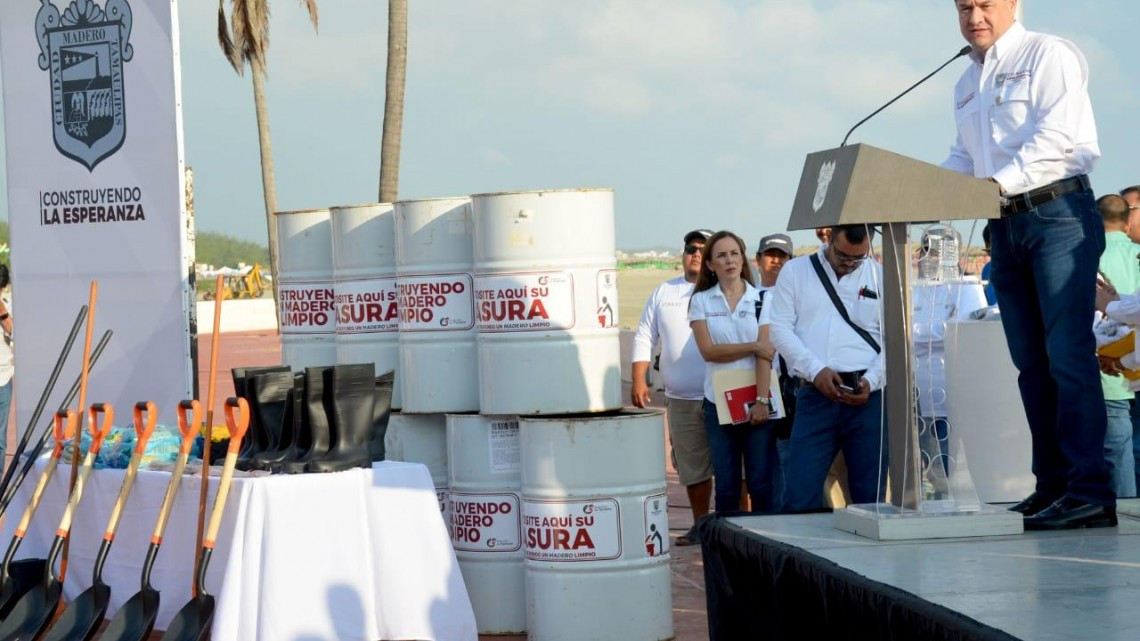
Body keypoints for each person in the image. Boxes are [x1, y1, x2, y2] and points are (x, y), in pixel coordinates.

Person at [941, 0, 1115, 529]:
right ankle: (1053, 486)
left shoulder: (1048, 54)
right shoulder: (964, 84)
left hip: (1056, 213)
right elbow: (964, 160)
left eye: (985, 4)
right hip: (1004, 226)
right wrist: (916, 193)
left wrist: (993, 186)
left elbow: (1056, 139)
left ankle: (1090, 491)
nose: (975, 15)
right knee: (1032, 366)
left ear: (1014, 4)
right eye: (964, 5)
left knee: (1067, 357)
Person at [768, 224, 888, 510]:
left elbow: (895, 340)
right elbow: (780, 330)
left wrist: (872, 380)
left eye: (857, 258)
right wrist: (815, 370)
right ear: (829, 238)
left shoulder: (879, 275)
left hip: (867, 398)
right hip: (815, 394)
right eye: (843, 255)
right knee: (799, 494)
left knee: (869, 498)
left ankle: (865, 556)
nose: (849, 264)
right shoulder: (796, 272)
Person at [631, 229, 715, 546]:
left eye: (703, 250)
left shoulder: (724, 290)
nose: (695, 254)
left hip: (721, 397)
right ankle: (701, 524)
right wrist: (639, 378)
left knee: (738, 467)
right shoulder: (663, 292)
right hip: (680, 399)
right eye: (691, 249)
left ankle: (737, 527)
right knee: (692, 468)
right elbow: (644, 336)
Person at [688, 231, 777, 513]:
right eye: (721, 255)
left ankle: (764, 551)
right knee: (726, 486)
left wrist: (762, 401)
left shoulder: (763, 299)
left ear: (743, 258)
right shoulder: (700, 301)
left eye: (734, 253)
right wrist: (753, 346)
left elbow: (767, 355)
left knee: (760, 483)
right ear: (711, 265)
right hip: (718, 403)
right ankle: (726, 553)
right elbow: (709, 352)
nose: (729, 260)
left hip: (758, 400)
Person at [912, 228, 988, 498]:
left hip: (950, 389)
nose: (930, 258)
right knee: (927, 463)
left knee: (949, 463)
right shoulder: (919, 288)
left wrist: (920, 332)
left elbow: (961, 331)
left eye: (936, 252)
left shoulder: (966, 286)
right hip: (918, 390)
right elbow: (902, 332)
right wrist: (928, 331)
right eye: (927, 252)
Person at [1094, 195, 1140, 498]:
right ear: (1126, 223)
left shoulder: (1087, 255)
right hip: (1130, 362)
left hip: (1109, 370)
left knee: (1118, 451)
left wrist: (1110, 304)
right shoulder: (1136, 252)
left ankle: (1126, 512)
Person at [754, 234, 794, 505]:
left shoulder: (797, 297)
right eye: (770, 254)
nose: (776, 260)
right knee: (759, 466)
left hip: (789, 390)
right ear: (758, 260)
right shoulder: (746, 298)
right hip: (754, 387)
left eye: (783, 256)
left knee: (786, 460)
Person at [0, 264, 11, 473]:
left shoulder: (8, 304)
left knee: (0, 440)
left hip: (3, 378)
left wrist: (2, 314)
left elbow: (16, 332)